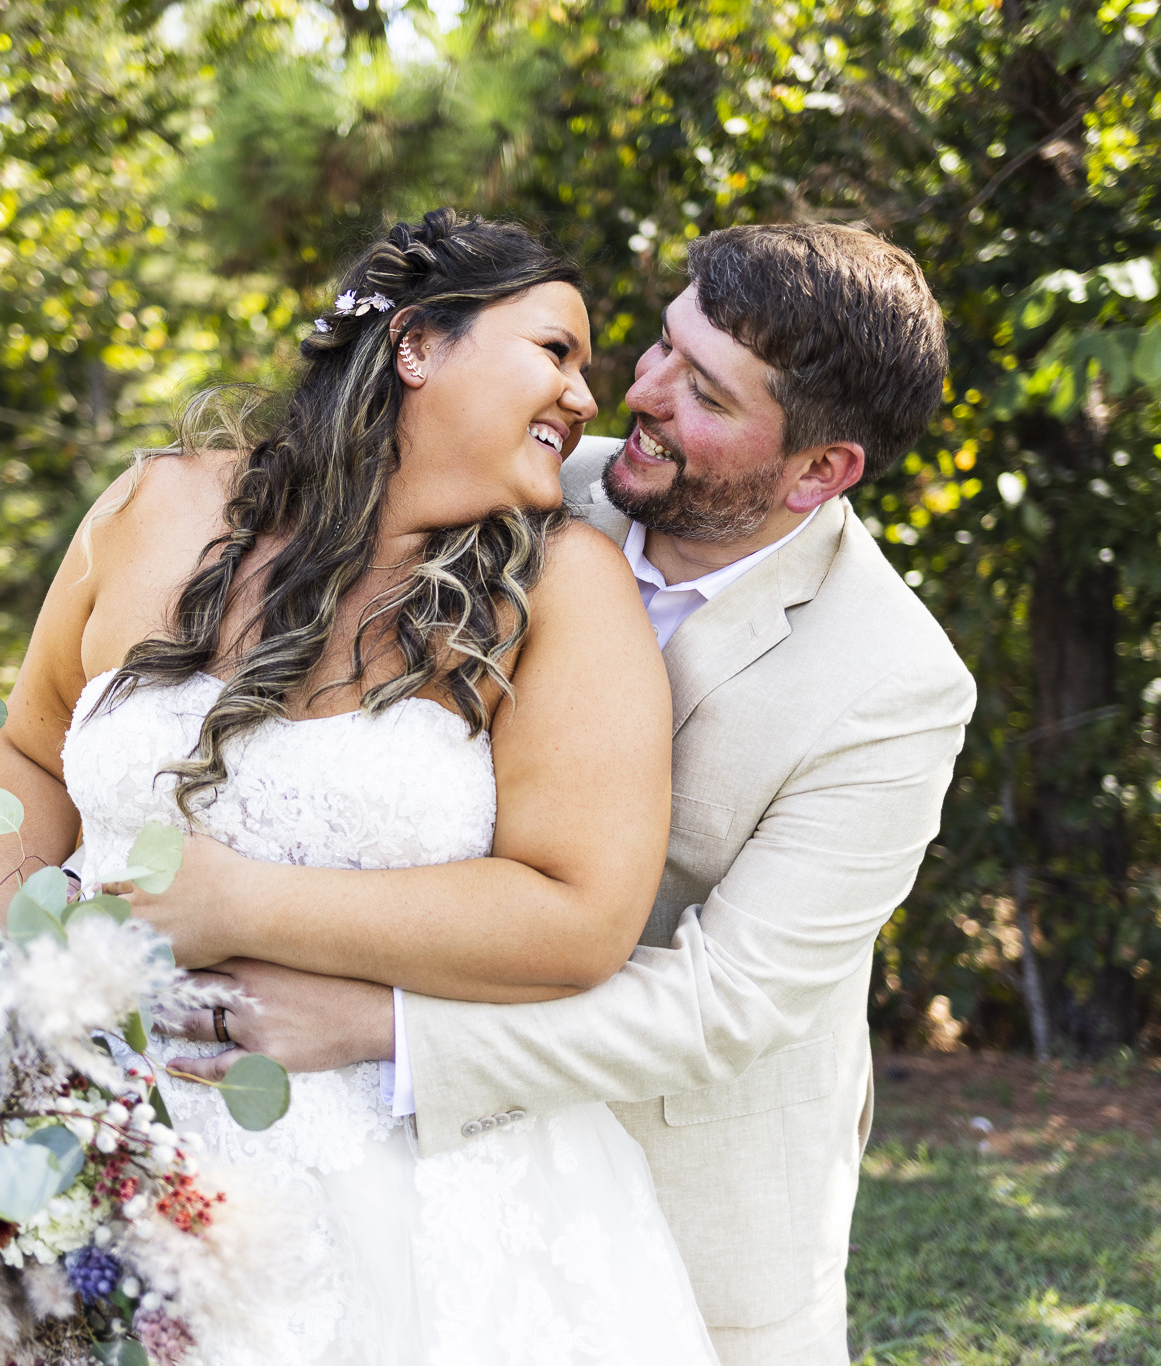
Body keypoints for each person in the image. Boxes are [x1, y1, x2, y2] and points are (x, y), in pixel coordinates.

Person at [129, 222, 978, 1365]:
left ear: (818, 472)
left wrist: (384, 1031)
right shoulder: (528, 482)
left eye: (706, 394)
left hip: (687, 1181)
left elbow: (723, 1002)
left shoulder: (892, 683)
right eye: (664, 346)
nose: (641, 393)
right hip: (383, 1168)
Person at [0, 209, 720, 1364]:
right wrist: (6, 995)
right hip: (108, 1131)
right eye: (555, 350)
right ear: (417, 345)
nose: (585, 397)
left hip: (406, 1189)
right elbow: (24, 752)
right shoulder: (155, 505)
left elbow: (583, 915)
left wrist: (241, 906)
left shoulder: (561, 588)